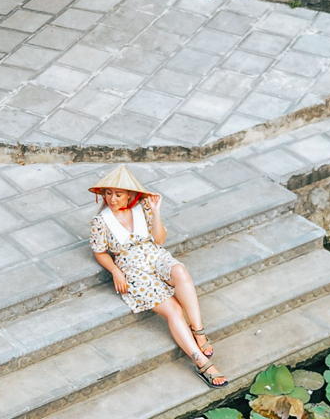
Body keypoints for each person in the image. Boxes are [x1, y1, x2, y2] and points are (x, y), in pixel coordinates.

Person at [89, 165, 228, 387]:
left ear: (130, 195)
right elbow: (99, 252)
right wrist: (115, 270)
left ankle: (198, 331)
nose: (112, 199)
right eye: (108, 193)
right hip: (132, 267)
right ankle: (202, 363)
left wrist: (156, 211)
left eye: (118, 194)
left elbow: (160, 240)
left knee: (180, 271)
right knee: (173, 309)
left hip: (155, 255)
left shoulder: (142, 208)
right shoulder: (101, 221)